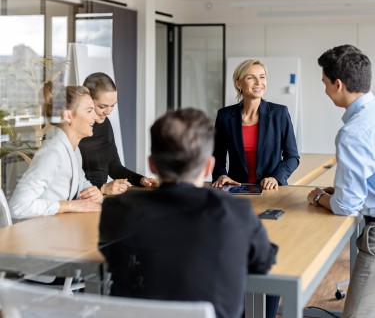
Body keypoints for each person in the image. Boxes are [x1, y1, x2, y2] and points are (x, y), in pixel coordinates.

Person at [99, 108, 278, 318]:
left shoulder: (117, 209)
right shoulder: (235, 212)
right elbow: (263, 261)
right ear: (208, 167)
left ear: (152, 164)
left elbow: (115, 260)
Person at [307, 45, 375, 318]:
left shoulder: (354, 132)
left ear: (338, 84)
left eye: (325, 84)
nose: (325, 91)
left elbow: (346, 206)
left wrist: (318, 197)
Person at [10, 82, 103, 220]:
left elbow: (81, 182)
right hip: (39, 234)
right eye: (89, 111)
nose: (95, 117)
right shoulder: (53, 152)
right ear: (68, 116)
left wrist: (95, 192)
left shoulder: (73, 149)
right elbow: (18, 206)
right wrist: (70, 206)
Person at [212, 58, 300, 190]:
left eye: (262, 77)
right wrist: (221, 175)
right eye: (251, 78)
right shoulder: (224, 116)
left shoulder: (279, 113)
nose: (259, 82)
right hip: (236, 189)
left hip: (270, 190)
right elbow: (217, 157)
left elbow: (292, 157)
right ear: (238, 84)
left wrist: (276, 177)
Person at [79, 72, 158, 195]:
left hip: (100, 198)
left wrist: (141, 180)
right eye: (102, 106)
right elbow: (67, 182)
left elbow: (114, 167)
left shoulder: (104, 124)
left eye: (112, 106)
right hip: (81, 199)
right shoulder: (73, 128)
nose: (108, 112)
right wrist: (102, 188)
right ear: (87, 99)